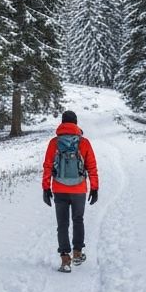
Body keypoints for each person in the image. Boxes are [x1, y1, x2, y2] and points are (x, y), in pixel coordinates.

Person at [42, 110, 98, 272]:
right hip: (79, 188)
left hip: (59, 188)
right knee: (78, 219)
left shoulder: (54, 143)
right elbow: (92, 166)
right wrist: (94, 187)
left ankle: (65, 260)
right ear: (75, 123)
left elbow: (47, 166)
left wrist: (46, 188)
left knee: (62, 224)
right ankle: (78, 253)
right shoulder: (84, 142)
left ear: (62, 122)